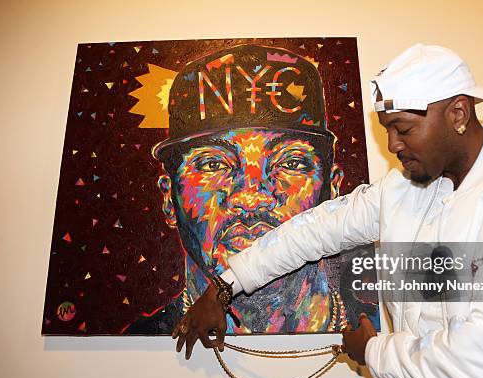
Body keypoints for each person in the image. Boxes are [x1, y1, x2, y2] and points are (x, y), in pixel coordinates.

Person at [172, 44, 483, 378]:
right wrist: (224, 285)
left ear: (458, 113)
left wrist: (373, 351)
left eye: (403, 129)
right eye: (388, 130)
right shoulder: (406, 188)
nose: (392, 146)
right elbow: (313, 230)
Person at [126, 44, 366, 334]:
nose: (252, 198)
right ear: (169, 198)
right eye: (214, 165)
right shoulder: (142, 341)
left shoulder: (378, 331)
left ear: (333, 190)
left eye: (289, 162)